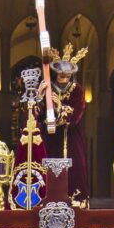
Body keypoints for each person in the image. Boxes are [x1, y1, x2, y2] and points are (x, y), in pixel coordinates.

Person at [38, 43, 90, 202]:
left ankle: (75, 203)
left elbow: (76, 115)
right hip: (50, 137)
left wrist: (59, 106)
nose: (64, 80)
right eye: (61, 76)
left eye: (67, 77)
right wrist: (41, 97)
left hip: (70, 138)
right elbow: (38, 115)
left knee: (74, 172)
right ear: (55, 74)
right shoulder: (48, 87)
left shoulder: (77, 90)